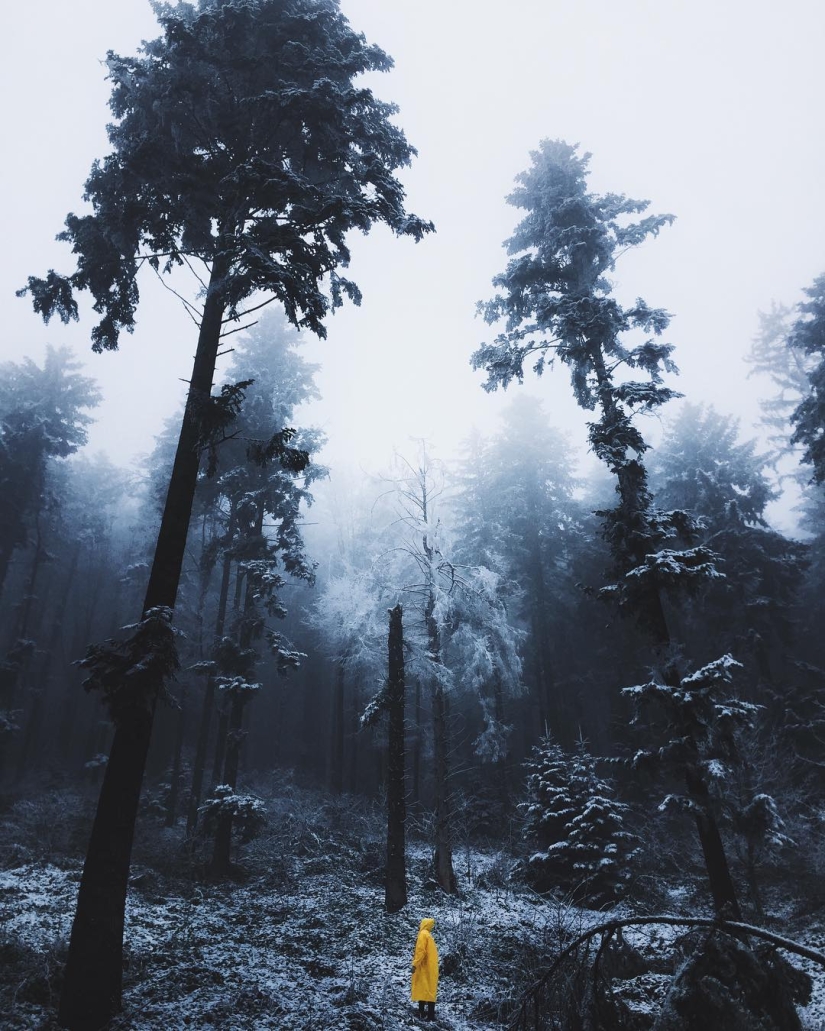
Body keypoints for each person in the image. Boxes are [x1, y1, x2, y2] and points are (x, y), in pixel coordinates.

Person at [411, 917, 439, 1021]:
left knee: (422, 988)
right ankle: (431, 1015)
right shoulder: (429, 935)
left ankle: (422, 1013)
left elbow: (420, 951)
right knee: (430, 990)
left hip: (424, 966)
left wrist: (415, 964)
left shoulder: (422, 935)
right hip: (431, 967)